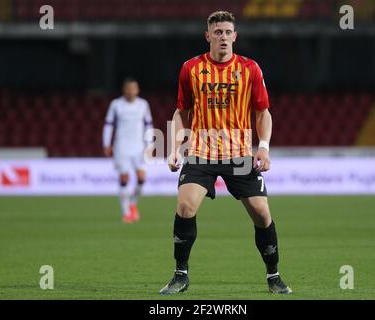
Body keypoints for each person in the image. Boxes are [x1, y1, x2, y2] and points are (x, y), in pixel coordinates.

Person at [159, 11, 292, 294]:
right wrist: (173, 148)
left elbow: (262, 112)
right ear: (208, 36)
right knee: (185, 207)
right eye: (217, 32)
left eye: (227, 32)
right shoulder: (191, 69)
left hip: (239, 153)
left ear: (235, 36)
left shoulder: (250, 69)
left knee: (261, 213)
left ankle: (274, 276)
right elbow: (182, 111)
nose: (222, 37)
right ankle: (180, 275)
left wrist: (264, 148)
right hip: (201, 152)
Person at [102, 78, 153, 223]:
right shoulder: (116, 104)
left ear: (137, 90)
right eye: (128, 88)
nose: (131, 91)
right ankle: (125, 211)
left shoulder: (143, 104)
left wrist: (149, 144)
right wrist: (106, 143)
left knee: (141, 178)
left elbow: (148, 124)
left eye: (134, 88)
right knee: (124, 178)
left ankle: (132, 203)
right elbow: (108, 125)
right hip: (121, 146)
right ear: (124, 90)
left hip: (139, 146)